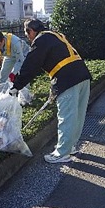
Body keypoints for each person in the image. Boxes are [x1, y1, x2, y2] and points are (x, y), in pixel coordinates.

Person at [9, 18, 92, 164]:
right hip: (82, 76)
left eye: (27, 33)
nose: (27, 37)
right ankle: (70, 146)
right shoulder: (54, 35)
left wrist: (16, 85)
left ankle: (62, 153)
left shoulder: (40, 41)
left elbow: (30, 66)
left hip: (68, 79)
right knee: (77, 115)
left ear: (31, 31)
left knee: (66, 116)